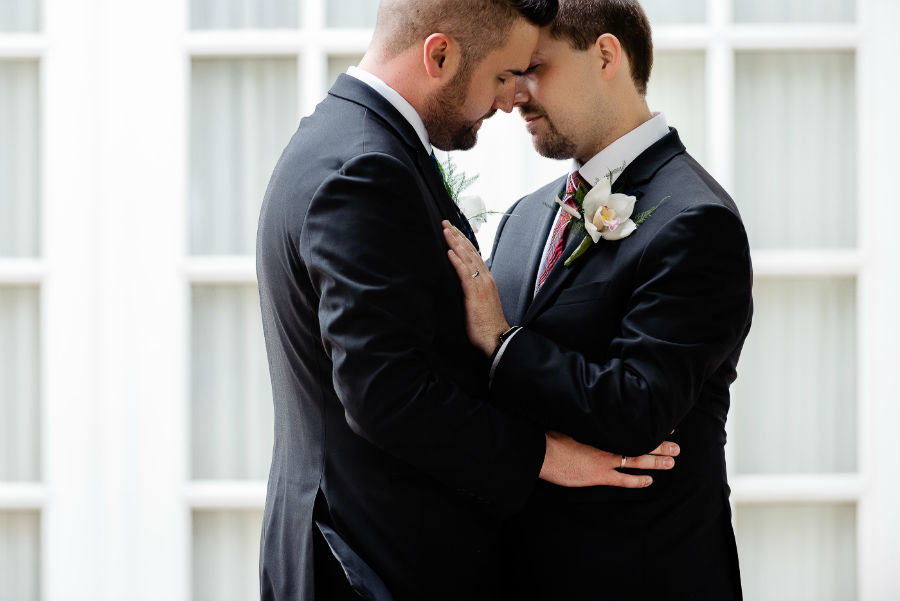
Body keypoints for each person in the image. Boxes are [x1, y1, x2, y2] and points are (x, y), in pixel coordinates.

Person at [256, 1, 680, 599]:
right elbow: (385, 393)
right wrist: (545, 456)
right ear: (440, 55)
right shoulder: (367, 169)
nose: (510, 99)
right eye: (504, 74)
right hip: (371, 564)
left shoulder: (342, 138)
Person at [443, 0, 752, 599]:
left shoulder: (696, 220)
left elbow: (638, 407)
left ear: (606, 55)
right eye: (511, 73)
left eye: (534, 68)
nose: (515, 95)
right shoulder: (526, 215)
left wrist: (504, 344)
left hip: (642, 576)